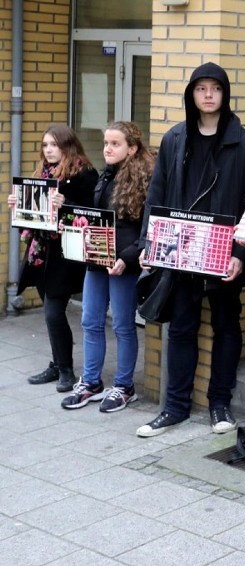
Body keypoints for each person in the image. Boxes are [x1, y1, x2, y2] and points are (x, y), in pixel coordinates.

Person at [135, 62, 245, 437]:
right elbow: (156, 195)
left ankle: (220, 405)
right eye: (201, 88)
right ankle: (174, 407)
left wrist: (242, 257)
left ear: (225, 95)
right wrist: (149, 243)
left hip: (224, 253)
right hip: (181, 252)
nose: (208, 95)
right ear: (191, 95)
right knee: (181, 327)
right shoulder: (175, 139)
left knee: (227, 327)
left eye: (215, 88)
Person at [60, 122, 154, 412]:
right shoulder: (106, 174)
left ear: (133, 148)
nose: (107, 149)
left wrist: (127, 257)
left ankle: (125, 387)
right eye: (105, 143)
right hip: (98, 258)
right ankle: (91, 382)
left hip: (123, 263)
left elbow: (147, 229)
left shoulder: (144, 179)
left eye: (115, 144)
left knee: (124, 326)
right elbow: (94, 214)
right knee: (90, 320)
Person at [8, 124, 97, 392]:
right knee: (51, 311)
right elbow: (36, 215)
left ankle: (66, 370)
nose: (48, 150)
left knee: (53, 312)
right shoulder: (43, 174)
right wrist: (20, 205)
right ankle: (58, 364)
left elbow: (92, 213)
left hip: (66, 254)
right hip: (42, 251)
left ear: (67, 145)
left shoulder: (84, 174)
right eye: (45, 145)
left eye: (54, 145)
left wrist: (65, 204)